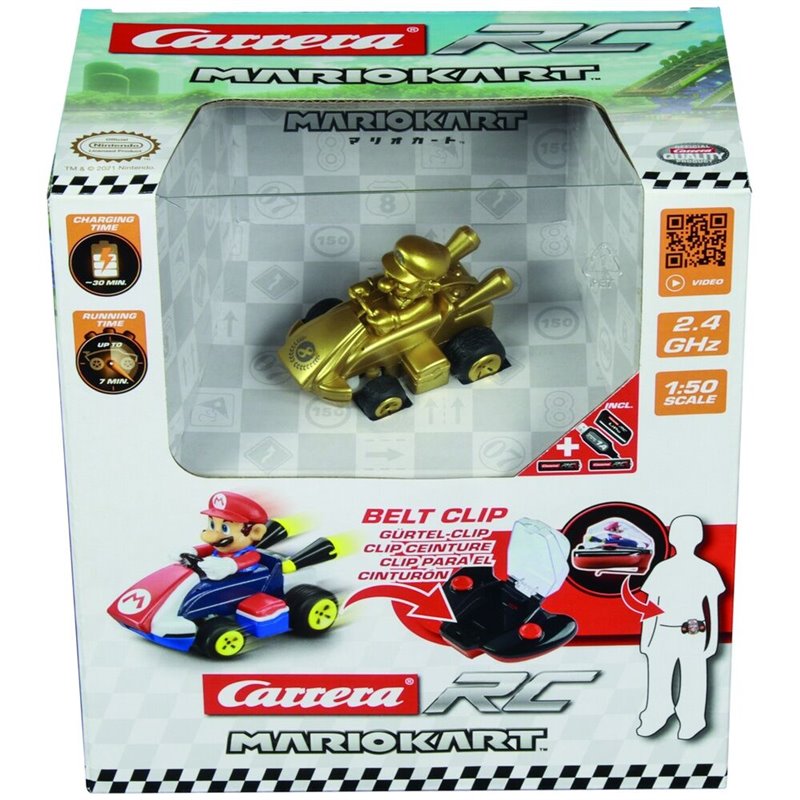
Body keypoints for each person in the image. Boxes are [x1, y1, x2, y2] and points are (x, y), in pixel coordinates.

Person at [637, 515, 725, 740]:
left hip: (694, 632)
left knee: (694, 676)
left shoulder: (707, 570)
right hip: (662, 631)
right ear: (672, 537)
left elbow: (713, 610)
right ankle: (657, 713)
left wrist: (712, 642)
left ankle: (692, 719)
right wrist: (646, 639)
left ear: (699, 538)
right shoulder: (662, 569)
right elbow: (651, 607)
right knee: (659, 674)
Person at [179, 491, 269, 581]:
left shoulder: (250, 554)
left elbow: (247, 560)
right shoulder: (219, 549)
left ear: (255, 532)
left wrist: (228, 566)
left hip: (244, 580)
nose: (212, 538)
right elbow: (206, 548)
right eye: (212, 525)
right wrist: (192, 551)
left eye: (225, 528)